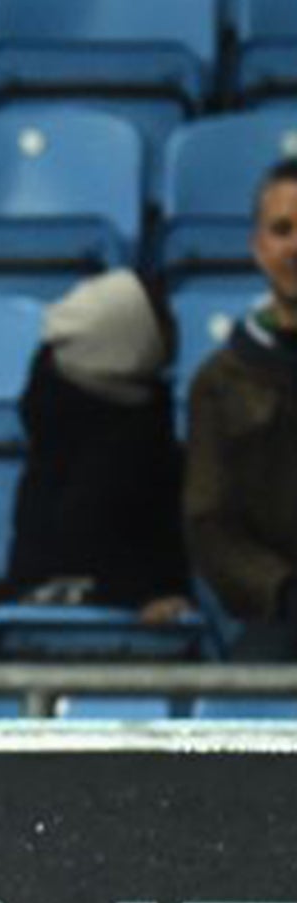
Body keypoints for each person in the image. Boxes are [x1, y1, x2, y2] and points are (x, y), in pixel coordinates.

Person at [0, 270, 193, 625]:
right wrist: (145, 596)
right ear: (133, 340)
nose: (173, 336)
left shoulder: (54, 415)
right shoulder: (129, 440)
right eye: (161, 321)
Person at [186, 157, 297, 660]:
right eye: (282, 229)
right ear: (258, 247)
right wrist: (282, 591)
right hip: (277, 619)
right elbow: (209, 521)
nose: (295, 246)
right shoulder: (220, 380)